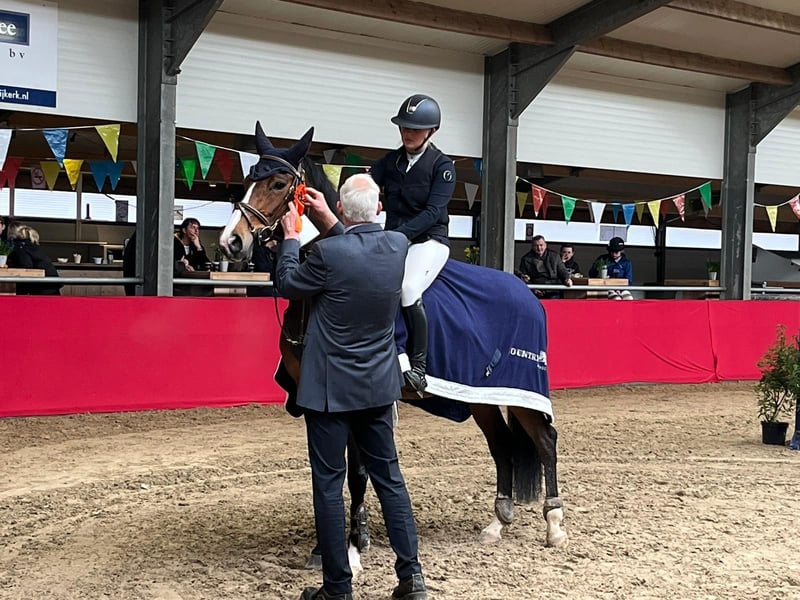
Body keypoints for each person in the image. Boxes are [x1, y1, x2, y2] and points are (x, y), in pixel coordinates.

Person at [275, 174, 428, 600]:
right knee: (390, 480)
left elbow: (287, 283)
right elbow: (358, 248)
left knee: (329, 485)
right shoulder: (397, 246)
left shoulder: (326, 254)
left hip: (328, 390)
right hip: (377, 386)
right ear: (379, 210)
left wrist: (291, 238)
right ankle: (411, 578)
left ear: (341, 208)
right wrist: (332, 220)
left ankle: (337, 588)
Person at [370, 93, 455, 395]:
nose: (408, 133)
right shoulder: (390, 161)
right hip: (394, 240)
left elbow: (433, 212)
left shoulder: (442, 166)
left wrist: (400, 235)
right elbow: (367, 183)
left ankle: (418, 368)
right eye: (404, 127)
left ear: (431, 131)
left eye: (415, 129)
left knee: (407, 288)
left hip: (428, 240)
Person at [6, 224, 62, 295]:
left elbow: (26, 267)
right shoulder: (32, 245)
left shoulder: (20, 247)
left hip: (43, 286)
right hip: (51, 282)